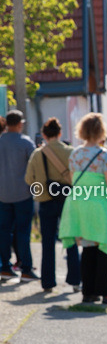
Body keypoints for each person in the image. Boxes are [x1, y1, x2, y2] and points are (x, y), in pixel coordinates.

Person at [58, 113, 107, 304]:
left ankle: (88, 292)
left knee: (88, 248)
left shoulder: (75, 154)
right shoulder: (105, 155)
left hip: (80, 203)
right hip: (100, 204)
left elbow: (73, 180)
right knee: (104, 247)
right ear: (101, 131)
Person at [23, 117, 80, 291]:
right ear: (60, 133)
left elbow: (29, 179)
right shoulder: (71, 152)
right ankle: (75, 281)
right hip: (67, 201)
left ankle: (48, 283)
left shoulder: (38, 154)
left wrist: (40, 191)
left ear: (44, 135)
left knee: (47, 242)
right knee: (70, 239)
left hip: (46, 202)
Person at [0, 110, 37, 281]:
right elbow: (35, 167)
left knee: (3, 231)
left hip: (2, 194)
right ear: (20, 123)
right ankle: (26, 268)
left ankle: (5, 267)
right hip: (23, 193)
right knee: (23, 231)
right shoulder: (26, 143)